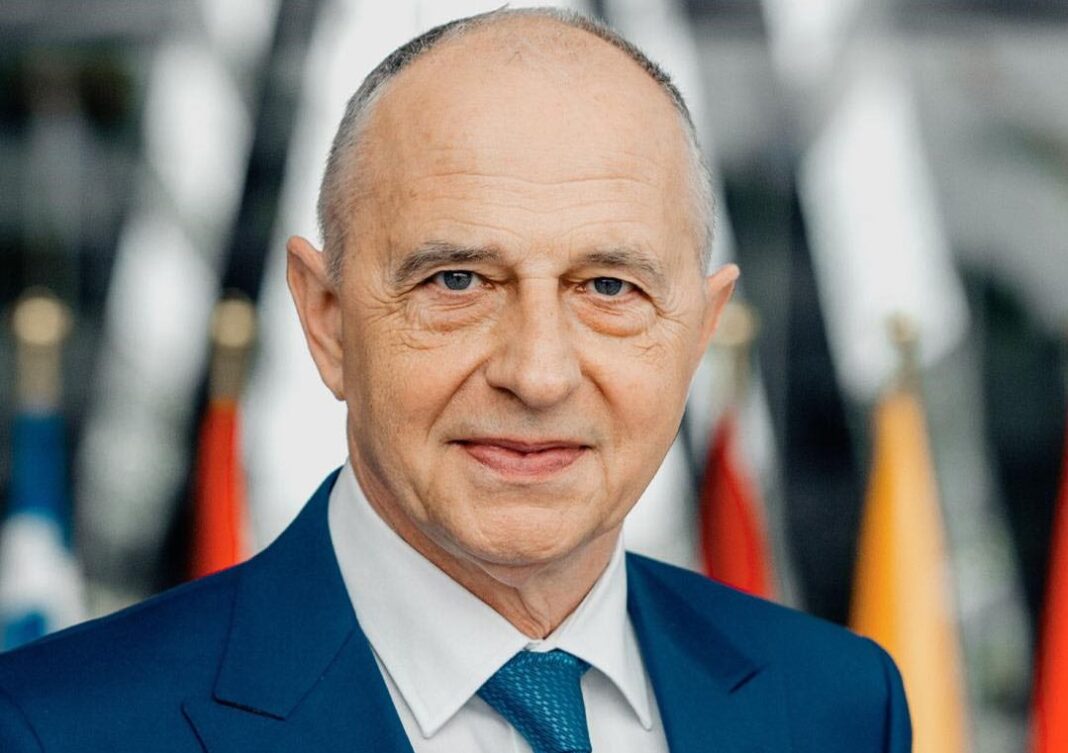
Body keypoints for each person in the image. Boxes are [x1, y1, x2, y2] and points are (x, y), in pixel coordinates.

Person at [0, 8, 910, 752]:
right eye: (458, 281)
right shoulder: (55, 727)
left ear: (700, 332)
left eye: (608, 287)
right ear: (326, 319)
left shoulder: (838, 706)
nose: (538, 374)